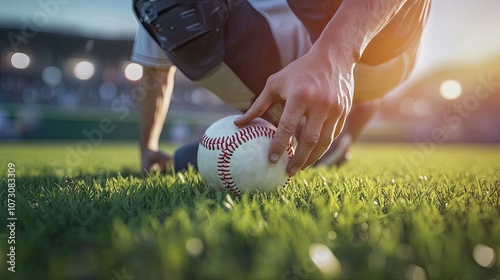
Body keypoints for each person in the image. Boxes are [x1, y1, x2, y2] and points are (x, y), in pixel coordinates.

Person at [131, 0, 431, 174]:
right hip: (267, 78)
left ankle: (353, 108)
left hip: (372, 53)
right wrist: (148, 148)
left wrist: (338, 54)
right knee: (168, 7)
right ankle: (302, 131)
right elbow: (154, 74)